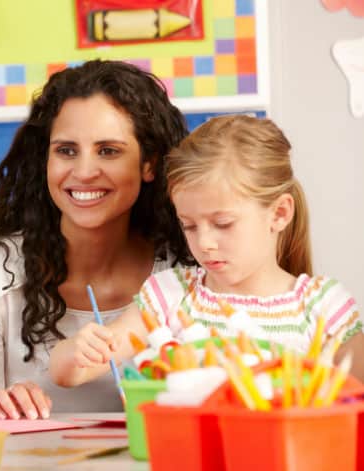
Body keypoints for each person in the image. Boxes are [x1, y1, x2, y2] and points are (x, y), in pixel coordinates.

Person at [0, 60, 193, 420]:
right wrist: (0, 412)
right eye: (66, 150)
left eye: (109, 150)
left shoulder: (185, 274)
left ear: (149, 164)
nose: (84, 171)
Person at [49, 115, 364, 386]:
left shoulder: (323, 307)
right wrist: (76, 353)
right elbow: (69, 374)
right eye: (189, 225)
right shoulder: (171, 296)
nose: (204, 243)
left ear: (279, 214)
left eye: (223, 223)